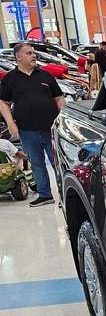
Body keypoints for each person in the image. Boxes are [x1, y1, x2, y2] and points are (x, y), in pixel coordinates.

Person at [0, 42, 64, 207]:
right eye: (29, 53)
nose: (34, 55)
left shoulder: (45, 76)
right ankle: (45, 195)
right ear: (18, 57)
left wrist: (62, 120)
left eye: (34, 53)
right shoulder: (10, 79)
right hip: (27, 130)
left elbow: (59, 98)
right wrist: (10, 123)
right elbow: (3, 103)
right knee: (36, 163)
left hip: (51, 129)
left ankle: (65, 196)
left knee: (57, 163)